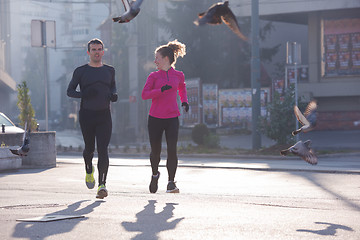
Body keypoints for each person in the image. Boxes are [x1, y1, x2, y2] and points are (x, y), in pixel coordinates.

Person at [67, 38, 118, 199]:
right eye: (94, 50)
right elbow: (70, 91)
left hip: (104, 115)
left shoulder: (110, 70)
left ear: (103, 51)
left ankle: (102, 185)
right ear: (88, 52)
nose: (97, 52)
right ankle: (89, 168)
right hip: (87, 115)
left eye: (99, 49)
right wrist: (84, 94)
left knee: (103, 149)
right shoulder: (81, 71)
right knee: (90, 149)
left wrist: (114, 94)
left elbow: (113, 86)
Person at [141, 39, 189, 194]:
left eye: (157, 58)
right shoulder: (153, 77)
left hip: (172, 117)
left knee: (172, 150)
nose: (155, 61)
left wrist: (184, 101)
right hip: (155, 118)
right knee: (156, 152)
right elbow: (144, 95)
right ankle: (155, 174)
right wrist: (160, 90)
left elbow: (182, 87)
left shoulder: (179, 75)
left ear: (166, 59)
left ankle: (171, 183)